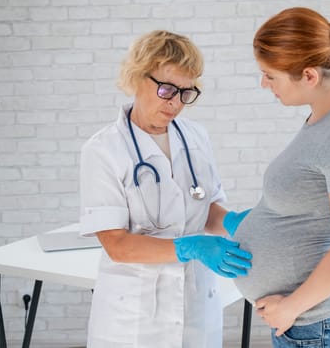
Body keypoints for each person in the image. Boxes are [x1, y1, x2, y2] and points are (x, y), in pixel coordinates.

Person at [79, 30, 252, 348]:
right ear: (136, 77)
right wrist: (190, 247)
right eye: (167, 89)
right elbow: (117, 246)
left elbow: (203, 200)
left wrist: (230, 220)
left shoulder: (195, 136)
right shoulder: (103, 150)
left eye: (186, 93)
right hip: (134, 319)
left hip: (195, 305)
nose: (175, 103)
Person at [232, 7, 330, 348]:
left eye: (270, 76)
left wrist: (290, 308)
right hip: (314, 325)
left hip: (328, 326)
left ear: (309, 75)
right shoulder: (327, 121)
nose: (264, 83)